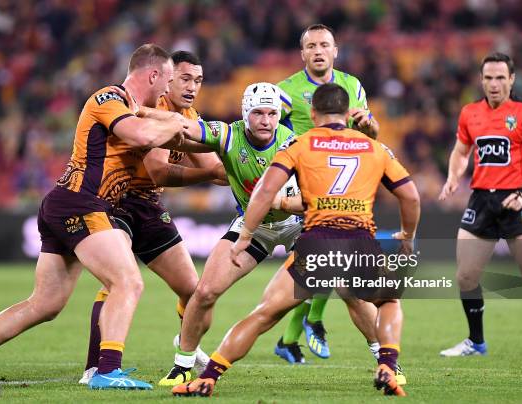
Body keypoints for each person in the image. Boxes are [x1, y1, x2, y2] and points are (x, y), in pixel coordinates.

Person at [0, 44, 187, 390]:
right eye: (168, 81)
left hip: (66, 205)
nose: (167, 91)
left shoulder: (135, 109)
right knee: (127, 282)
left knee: (45, 304)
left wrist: (178, 124)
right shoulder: (108, 98)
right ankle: (105, 371)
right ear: (153, 74)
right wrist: (175, 122)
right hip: (81, 204)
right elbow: (140, 135)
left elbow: (150, 127)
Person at [172, 83, 419, 397]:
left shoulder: (300, 143)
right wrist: (406, 235)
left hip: (315, 243)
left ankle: (209, 376)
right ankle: (388, 362)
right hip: (358, 241)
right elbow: (410, 196)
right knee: (386, 301)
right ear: (347, 114)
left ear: (312, 114)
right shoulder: (374, 148)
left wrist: (245, 234)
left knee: (265, 313)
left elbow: (263, 191)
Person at [78, 51, 226, 385]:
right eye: (185, 79)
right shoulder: (155, 110)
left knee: (194, 291)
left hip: (148, 206)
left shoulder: (188, 114)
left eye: (198, 81)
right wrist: (209, 175)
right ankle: (96, 367)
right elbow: (158, 171)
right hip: (116, 200)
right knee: (116, 283)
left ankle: (185, 344)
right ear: (166, 77)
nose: (192, 87)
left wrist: (251, 171)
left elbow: (214, 169)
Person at [158, 82, 303, 386]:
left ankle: (385, 358)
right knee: (206, 291)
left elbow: (316, 197)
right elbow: (188, 128)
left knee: (348, 290)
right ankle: (184, 364)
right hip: (254, 228)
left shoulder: (294, 145)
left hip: (298, 225)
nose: (266, 120)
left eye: (272, 113)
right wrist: (144, 118)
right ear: (245, 114)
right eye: (258, 113)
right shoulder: (228, 134)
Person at [276, 22, 389, 375]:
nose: (319, 50)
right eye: (311, 46)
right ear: (303, 53)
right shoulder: (285, 90)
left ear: (335, 50)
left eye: (325, 44)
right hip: (303, 184)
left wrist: (368, 125)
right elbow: (266, 130)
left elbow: (371, 131)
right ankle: (306, 326)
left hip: (344, 184)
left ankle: (297, 332)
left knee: (323, 260)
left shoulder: (352, 86)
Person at [438, 52, 522, 357]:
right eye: (488, 78)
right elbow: (461, 151)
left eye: (500, 77)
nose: (494, 84)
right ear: (481, 80)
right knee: (465, 276)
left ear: (511, 79)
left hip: (517, 198)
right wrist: (453, 176)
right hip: (482, 198)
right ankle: (476, 342)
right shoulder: (470, 112)